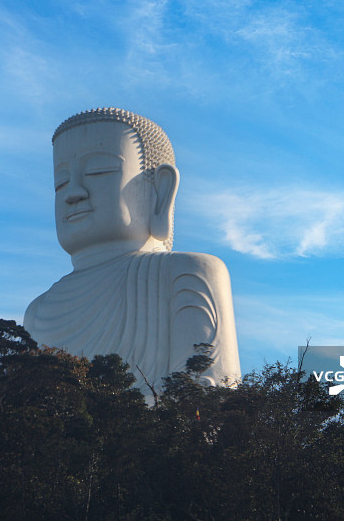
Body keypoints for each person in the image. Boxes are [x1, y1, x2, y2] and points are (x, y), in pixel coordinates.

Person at [24, 107, 241, 398]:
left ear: (161, 191)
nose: (72, 192)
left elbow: (208, 400)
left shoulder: (186, 273)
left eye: (98, 171)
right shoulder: (38, 312)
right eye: (60, 182)